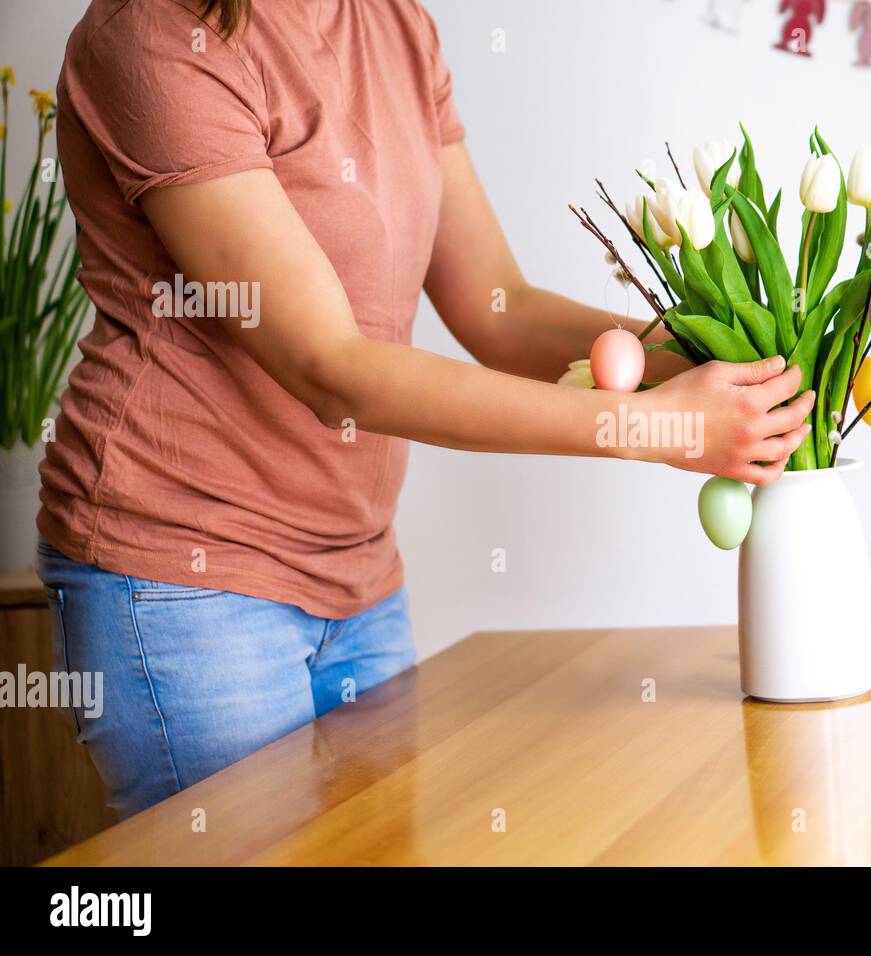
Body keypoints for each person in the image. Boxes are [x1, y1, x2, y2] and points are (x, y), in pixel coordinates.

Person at [36, 0, 812, 817]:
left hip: (360, 574)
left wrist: (720, 356)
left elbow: (498, 307)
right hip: (183, 581)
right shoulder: (154, 35)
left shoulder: (394, 22)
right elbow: (330, 368)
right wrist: (656, 423)